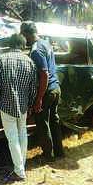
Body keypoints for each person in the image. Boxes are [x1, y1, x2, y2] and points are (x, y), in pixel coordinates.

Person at [0, 33, 37, 181]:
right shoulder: (30, 62)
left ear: (9, 45)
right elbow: (33, 88)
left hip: (6, 106)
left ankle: (19, 172)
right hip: (23, 106)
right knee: (22, 133)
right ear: (23, 47)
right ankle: (21, 167)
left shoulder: (1, 60)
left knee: (13, 138)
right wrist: (30, 105)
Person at [20, 21, 64, 162]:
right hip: (56, 88)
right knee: (54, 120)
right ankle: (59, 151)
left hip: (46, 91)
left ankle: (48, 156)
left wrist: (38, 98)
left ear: (25, 34)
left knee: (43, 124)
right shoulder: (46, 43)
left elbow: (44, 74)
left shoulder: (36, 50)